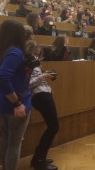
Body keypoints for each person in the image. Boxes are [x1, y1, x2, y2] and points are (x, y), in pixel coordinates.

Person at [0, 20, 31, 170]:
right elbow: (2, 76)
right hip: (14, 105)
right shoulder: (15, 52)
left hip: (2, 103)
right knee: (14, 144)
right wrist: (17, 103)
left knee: (7, 141)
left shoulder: (3, 50)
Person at [26, 41, 59, 170]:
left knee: (53, 126)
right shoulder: (28, 62)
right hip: (39, 96)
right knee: (54, 126)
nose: (39, 51)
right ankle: (39, 159)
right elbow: (28, 84)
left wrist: (46, 77)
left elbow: (37, 78)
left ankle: (39, 158)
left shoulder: (35, 61)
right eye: (36, 49)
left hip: (44, 94)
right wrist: (43, 76)